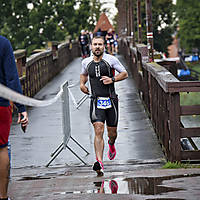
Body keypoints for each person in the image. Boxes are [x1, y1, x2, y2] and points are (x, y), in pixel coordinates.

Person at [80, 36, 128, 176]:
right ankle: (99, 162)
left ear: (104, 46)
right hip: (96, 101)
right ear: (91, 46)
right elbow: (83, 75)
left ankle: (111, 144)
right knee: (98, 129)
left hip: (111, 100)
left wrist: (112, 79)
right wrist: (82, 84)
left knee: (112, 133)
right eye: (95, 44)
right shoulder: (86, 62)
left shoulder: (111, 60)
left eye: (100, 44)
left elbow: (125, 74)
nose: (97, 47)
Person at [0, 35, 28, 200]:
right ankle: (3, 196)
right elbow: (12, 78)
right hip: (1, 104)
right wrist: (22, 107)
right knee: (2, 148)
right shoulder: (3, 43)